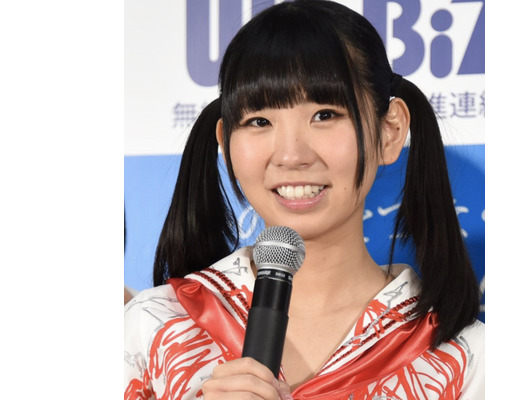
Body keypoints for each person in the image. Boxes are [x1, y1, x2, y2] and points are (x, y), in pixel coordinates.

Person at [124, 1, 484, 399]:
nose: (291, 155)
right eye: (259, 121)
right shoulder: (155, 326)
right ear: (226, 143)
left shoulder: (463, 357)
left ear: (389, 131)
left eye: (325, 115)